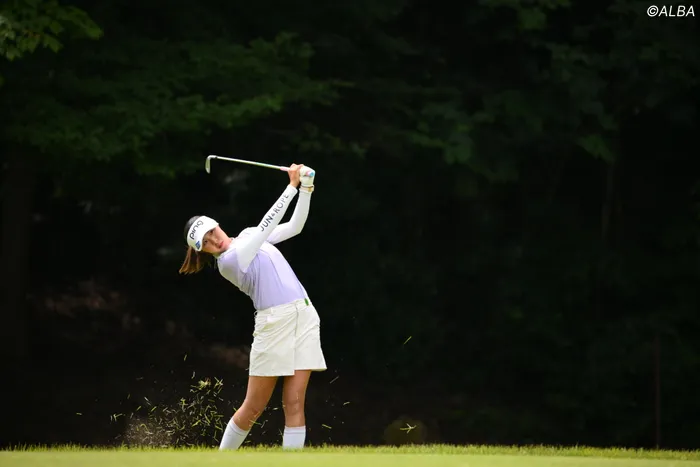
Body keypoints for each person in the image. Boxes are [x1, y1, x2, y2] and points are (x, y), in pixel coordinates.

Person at [178, 163, 326, 451]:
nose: (213, 240)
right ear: (202, 251)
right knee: (254, 406)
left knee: (294, 402)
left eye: (211, 232)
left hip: (305, 314)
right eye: (205, 243)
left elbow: (294, 227)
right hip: (274, 323)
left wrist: (306, 189)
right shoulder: (228, 262)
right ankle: (221, 461)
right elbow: (265, 228)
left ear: (216, 224)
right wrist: (291, 187)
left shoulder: (246, 235)